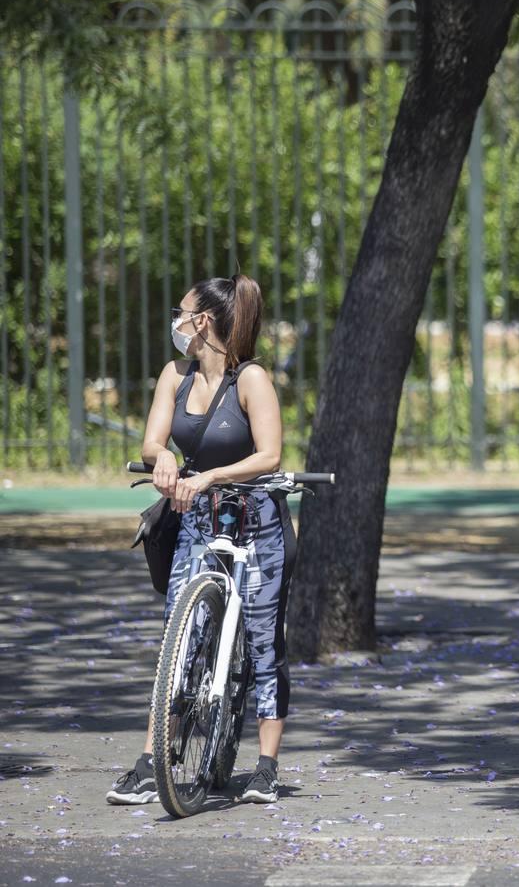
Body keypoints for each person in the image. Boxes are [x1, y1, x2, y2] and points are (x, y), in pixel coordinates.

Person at [106, 274, 291, 806]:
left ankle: (266, 766)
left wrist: (210, 476)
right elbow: (151, 438)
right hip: (196, 517)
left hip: (255, 518)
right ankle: (150, 761)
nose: (176, 321)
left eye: (180, 312)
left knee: (262, 640)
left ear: (202, 321)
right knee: (177, 635)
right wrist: (161, 457)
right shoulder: (176, 374)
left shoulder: (251, 379)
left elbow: (270, 455)